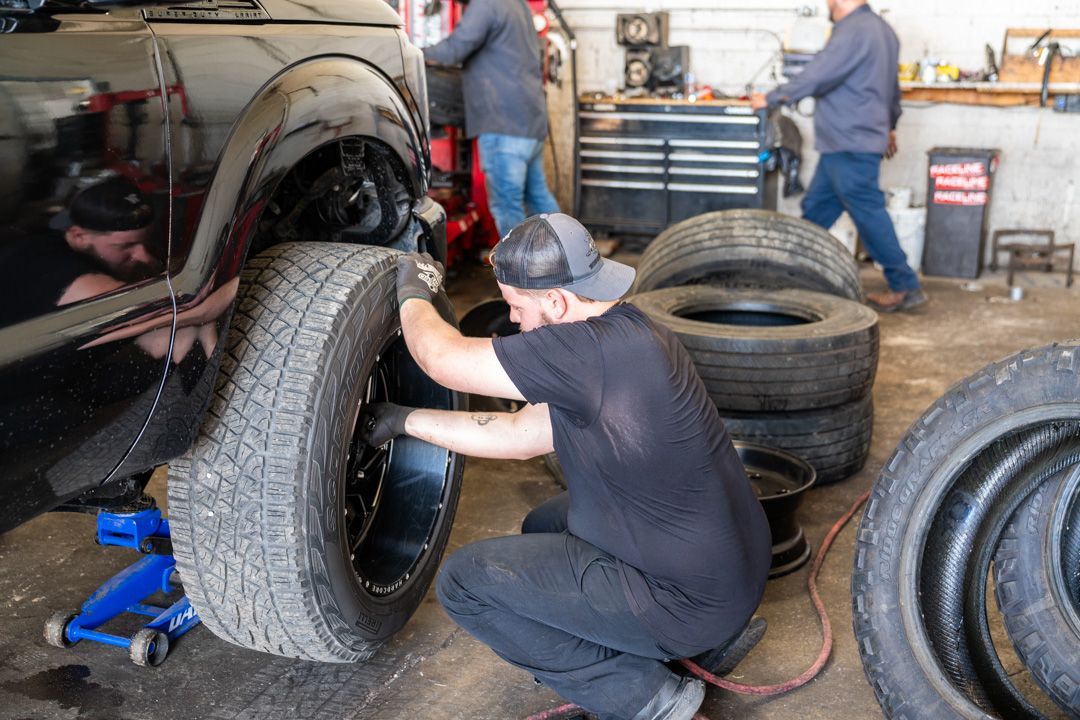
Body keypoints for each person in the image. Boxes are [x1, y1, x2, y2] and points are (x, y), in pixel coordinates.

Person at [362, 213, 771, 720]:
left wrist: (414, 294)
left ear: (555, 302)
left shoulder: (580, 355)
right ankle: (666, 646)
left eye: (515, 306)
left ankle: (645, 695)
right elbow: (518, 437)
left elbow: (441, 358)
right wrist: (404, 421)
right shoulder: (626, 334)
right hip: (733, 575)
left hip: (690, 603)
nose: (511, 320)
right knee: (546, 525)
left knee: (465, 583)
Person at [751, 0, 926, 313]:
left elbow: (819, 75)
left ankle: (905, 285)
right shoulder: (883, 31)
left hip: (850, 140)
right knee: (817, 209)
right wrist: (891, 126)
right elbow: (891, 90)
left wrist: (772, 97)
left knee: (869, 214)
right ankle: (792, 274)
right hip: (846, 142)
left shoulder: (853, 30)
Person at [423, 0, 560, 236]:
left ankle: (518, 272)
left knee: (507, 206)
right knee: (539, 200)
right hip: (529, 121)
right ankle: (570, 262)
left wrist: (408, 52)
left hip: (504, 126)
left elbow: (453, 50)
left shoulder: (486, 4)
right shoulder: (516, 4)